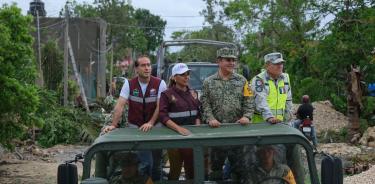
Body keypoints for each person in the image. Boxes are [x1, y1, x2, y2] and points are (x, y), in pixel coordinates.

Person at [101, 55, 167, 181]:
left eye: (148, 65)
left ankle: (155, 180)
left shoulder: (160, 83)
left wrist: (151, 123)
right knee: (145, 161)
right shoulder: (129, 84)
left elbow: (160, 106)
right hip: (136, 128)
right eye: (143, 65)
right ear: (136, 69)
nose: (147, 68)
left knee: (157, 164)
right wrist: (114, 125)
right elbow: (120, 105)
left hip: (155, 128)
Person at [201, 47, 254, 182]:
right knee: (216, 171)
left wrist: (246, 116)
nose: (232, 63)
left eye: (233, 60)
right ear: (219, 61)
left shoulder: (242, 81)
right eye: (228, 60)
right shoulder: (208, 82)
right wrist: (210, 118)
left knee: (241, 170)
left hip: (237, 132)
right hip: (216, 133)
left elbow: (249, 101)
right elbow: (205, 103)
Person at [159, 63, 201, 180]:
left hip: (192, 137)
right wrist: (179, 129)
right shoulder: (166, 94)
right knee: (175, 171)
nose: (186, 77)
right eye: (182, 74)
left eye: (187, 74)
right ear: (174, 77)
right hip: (174, 138)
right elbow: (162, 116)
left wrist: (197, 128)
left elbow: (198, 112)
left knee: (191, 170)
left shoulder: (193, 93)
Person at [251, 52, 292, 124]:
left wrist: (287, 122)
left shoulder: (285, 78)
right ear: (267, 65)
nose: (280, 66)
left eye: (281, 63)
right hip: (261, 125)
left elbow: (288, 101)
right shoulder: (259, 80)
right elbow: (260, 101)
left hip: (280, 125)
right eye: (276, 64)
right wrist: (269, 117)